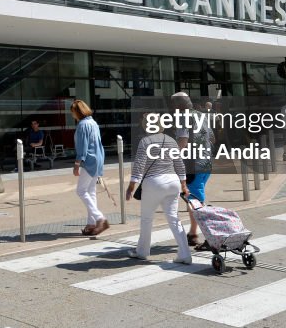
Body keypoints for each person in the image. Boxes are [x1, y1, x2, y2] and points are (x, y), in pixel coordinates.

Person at [124, 123, 192, 264]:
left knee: (147, 219)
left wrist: (131, 186)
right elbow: (179, 162)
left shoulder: (145, 141)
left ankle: (142, 252)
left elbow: (139, 164)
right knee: (174, 218)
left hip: (154, 183)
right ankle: (185, 254)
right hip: (173, 182)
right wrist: (183, 184)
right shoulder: (171, 140)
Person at [170, 92, 213, 247]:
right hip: (206, 162)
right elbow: (212, 138)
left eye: (173, 104)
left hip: (192, 164)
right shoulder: (201, 115)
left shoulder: (183, 117)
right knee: (194, 198)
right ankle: (193, 233)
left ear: (177, 105)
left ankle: (211, 235)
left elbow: (183, 142)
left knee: (196, 201)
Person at [71, 99, 108, 237]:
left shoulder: (82, 125)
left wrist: (77, 164)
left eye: (73, 113)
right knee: (91, 191)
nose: (72, 116)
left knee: (81, 191)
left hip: (89, 160)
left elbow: (82, 146)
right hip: (98, 158)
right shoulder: (93, 123)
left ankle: (100, 218)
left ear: (77, 112)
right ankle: (91, 224)